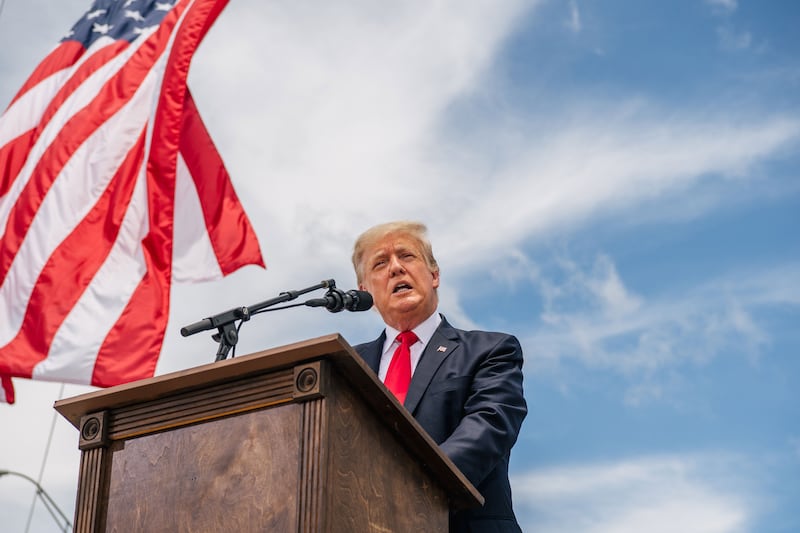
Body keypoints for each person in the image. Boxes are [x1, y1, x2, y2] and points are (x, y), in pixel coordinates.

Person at [351, 221, 527, 532]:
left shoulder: (490, 350)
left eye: (407, 256)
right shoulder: (347, 365)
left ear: (434, 276)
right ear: (364, 290)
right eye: (380, 263)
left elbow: (489, 425)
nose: (395, 269)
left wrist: (404, 484)